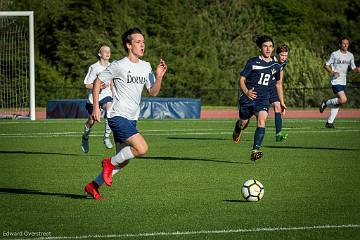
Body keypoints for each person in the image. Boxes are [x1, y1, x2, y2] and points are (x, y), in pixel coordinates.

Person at [84, 28, 167, 199]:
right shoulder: (119, 65)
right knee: (142, 148)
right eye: (138, 42)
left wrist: (158, 77)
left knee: (124, 160)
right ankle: (108, 163)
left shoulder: (146, 66)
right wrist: (94, 109)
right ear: (128, 45)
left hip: (131, 119)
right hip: (117, 116)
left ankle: (93, 186)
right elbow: (98, 81)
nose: (142, 45)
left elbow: (152, 92)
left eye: (143, 42)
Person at [232, 35, 281, 161]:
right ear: (260, 48)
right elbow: (242, 79)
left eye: (270, 46)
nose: (268, 49)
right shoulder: (252, 62)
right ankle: (238, 128)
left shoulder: (276, 66)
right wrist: (246, 91)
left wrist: (277, 101)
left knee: (262, 121)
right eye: (265, 46)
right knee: (243, 123)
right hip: (248, 99)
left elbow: (275, 84)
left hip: (263, 100)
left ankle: (255, 150)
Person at [320, 36, 360, 128]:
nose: (346, 45)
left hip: (343, 81)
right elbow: (326, 65)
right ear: (340, 44)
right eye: (344, 43)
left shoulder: (350, 55)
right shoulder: (335, 54)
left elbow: (353, 68)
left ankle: (329, 123)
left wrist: (357, 69)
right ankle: (326, 102)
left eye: (347, 43)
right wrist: (333, 72)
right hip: (335, 81)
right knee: (343, 99)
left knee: (338, 102)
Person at [81, 44, 114, 153]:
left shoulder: (112, 66)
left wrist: (114, 94)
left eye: (109, 51)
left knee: (110, 110)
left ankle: (106, 137)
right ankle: (85, 137)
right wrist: (98, 86)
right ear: (100, 54)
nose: (108, 53)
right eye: (105, 51)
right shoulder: (94, 67)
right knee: (92, 120)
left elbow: (112, 83)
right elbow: (87, 84)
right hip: (94, 98)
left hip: (106, 95)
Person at [270, 44, 290, 142]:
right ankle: (239, 126)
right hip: (260, 89)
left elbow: (279, 83)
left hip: (271, 89)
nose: (284, 58)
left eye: (286, 55)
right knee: (245, 120)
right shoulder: (269, 61)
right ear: (277, 54)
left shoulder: (282, 64)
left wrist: (282, 102)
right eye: (282, 55)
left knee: (277, 106)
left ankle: (278, 135)